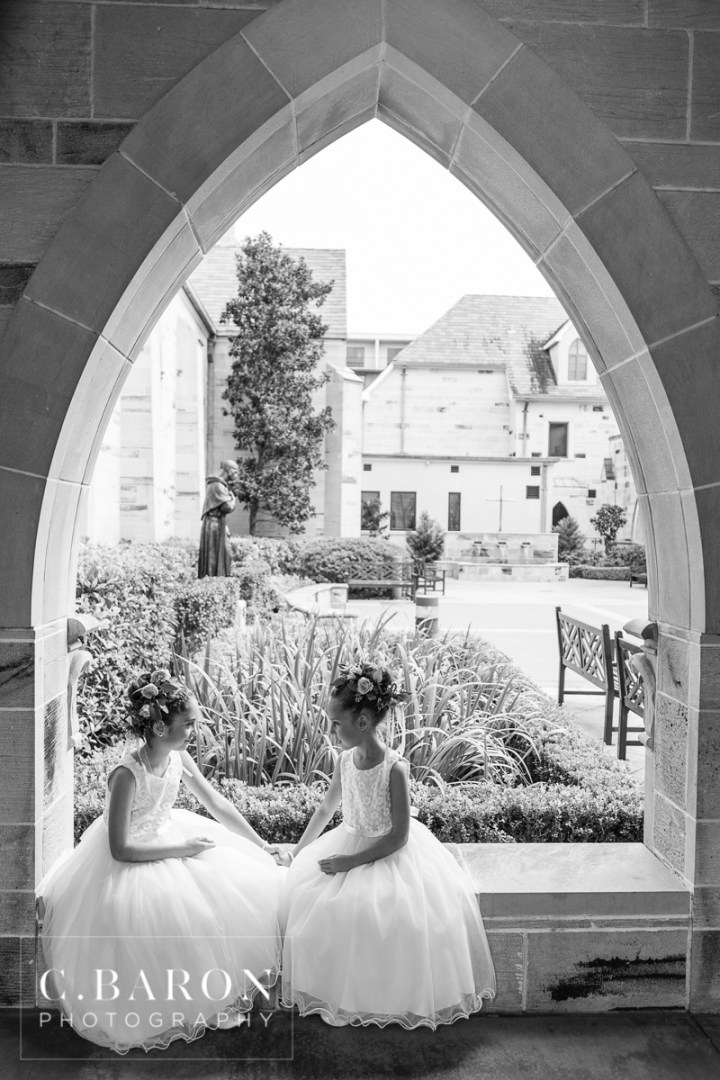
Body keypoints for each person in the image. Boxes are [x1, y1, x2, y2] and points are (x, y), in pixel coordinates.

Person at [37, 670, 285, 1054]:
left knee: (219, 900)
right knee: (156, 918)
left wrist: (260, 842)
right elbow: (120, 848)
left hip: (171, 836)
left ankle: (208, 1000)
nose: (194, 731)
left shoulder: (178, 757)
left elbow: (216, 803)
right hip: (130, 859)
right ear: (158, 726)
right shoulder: (127, 774)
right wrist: (183, 850)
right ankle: (159, 1007)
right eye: (188, 724)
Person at [279, 660, 496, 1029]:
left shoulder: (395, 768)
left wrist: (350, 862)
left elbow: (398, 836)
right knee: (312, 903)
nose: (331, 731)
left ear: (362, 722)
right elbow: (326, 807)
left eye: (336, 723)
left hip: (388, 853)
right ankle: (342, 992)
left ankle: (383, 998)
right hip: (350, 838)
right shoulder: (345, 760)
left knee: (384, 915)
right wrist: (297, 853)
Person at [198, 460, 238, 578]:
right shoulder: (217, 485)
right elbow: (227, 507)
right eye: (235, 471)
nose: (236, 474)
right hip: (213, 524)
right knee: (215, 556)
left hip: (217, 522)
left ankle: (218, 581)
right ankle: (213, 581)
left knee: (224, 554)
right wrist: (233, 499)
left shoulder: (220, 485)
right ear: (228, 470)